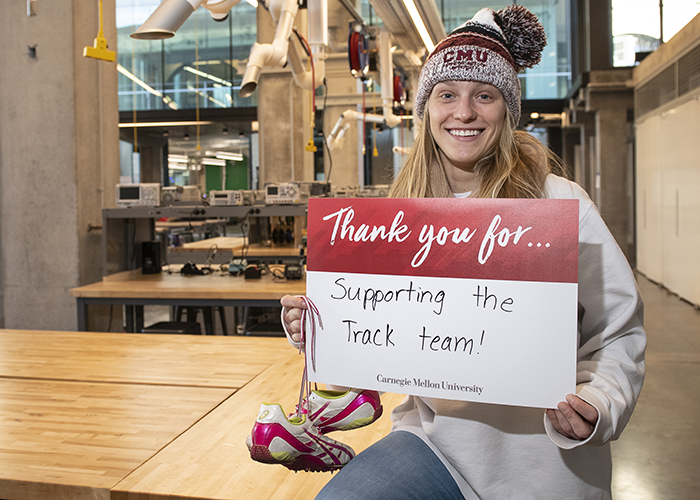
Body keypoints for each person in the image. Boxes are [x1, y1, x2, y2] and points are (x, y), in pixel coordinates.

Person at [280, 6, 646, 499]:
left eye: (484, 96)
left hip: (542, 459)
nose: (464, 112)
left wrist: (600, 401)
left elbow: (617, 330)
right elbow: (384, 336)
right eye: (447, 94)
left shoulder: (560, 204)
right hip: (433, 442)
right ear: (427, 108)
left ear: (507, 110)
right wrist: (322, 328)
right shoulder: (401, 217)